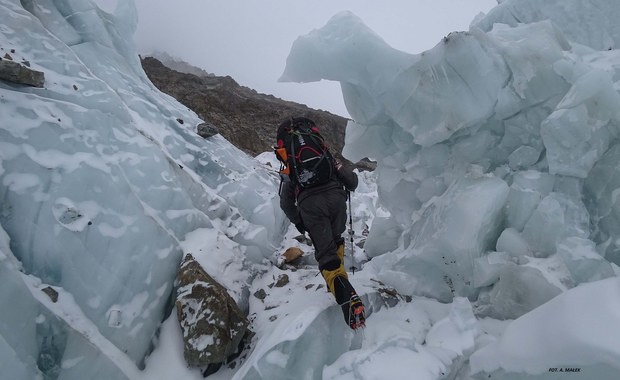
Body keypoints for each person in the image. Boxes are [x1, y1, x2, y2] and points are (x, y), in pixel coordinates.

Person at [276, 116, 365, 330]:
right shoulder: (325, 156)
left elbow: (286, 202)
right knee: (335, 240)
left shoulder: (290, 166)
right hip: (336, 201)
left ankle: (346, 297)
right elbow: (352, 182)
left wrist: (301, 222)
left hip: (311, 206)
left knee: (326, 255)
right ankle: (336, 281)